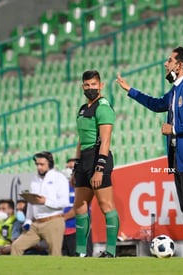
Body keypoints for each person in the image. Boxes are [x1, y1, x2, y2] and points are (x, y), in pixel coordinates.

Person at [116, 46, 183, 258]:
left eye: (169, 60)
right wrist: (131, 90)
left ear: (179, 66)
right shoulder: (176, 90)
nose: (165, 64)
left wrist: (175, 129)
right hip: (179, 158)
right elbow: (157, 104)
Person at [71, 70, 120, 258]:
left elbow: (105, 141)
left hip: (98, 158)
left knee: (106, 204)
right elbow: (80, 139)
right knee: (80, 205)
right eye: (87, 85)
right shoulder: (83, 109)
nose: (90, 88)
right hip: (84, 159)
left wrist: (99, 168)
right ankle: (81, 252)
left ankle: (111, 251)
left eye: (93, 85)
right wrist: (76, 167)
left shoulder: (104, 107)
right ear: (83, 86)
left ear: (101, 86)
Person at [11, 151, 69, 256]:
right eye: (37, 164)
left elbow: (64, 202)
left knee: (55, 254)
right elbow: (31, 202)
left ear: (50, 164)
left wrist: (45, 201)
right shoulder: (35, 179)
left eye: (42, 164)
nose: (39, 167)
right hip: (36, 223)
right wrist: (28, 220)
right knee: (16, 246)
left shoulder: (59, 178)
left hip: (53, 220)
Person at [62, 157, 93, 257]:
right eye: (67, 167)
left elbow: (81, 207)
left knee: (83, 262)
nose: (68, 170)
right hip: (64, 232)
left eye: (71, 167)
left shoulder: (84, 186)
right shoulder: (62, 187)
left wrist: (63, 218)